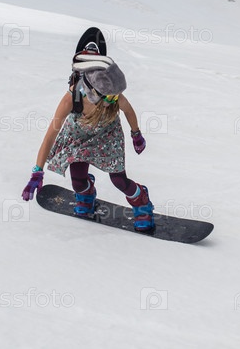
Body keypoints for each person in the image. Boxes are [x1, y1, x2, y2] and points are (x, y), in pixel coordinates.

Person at [21, 43, 153, 231]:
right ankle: (86, 193)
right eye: (109, 97)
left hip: (108, 135)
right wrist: (37, 172)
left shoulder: (112, 93)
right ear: (92, 92)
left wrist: (136, 134)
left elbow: (128, 111)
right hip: (79, 136)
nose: (113, 100)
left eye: (115, 97)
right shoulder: (71, 99)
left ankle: (142, 201)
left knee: (119, 180)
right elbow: (50, 136)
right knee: (78, 181)